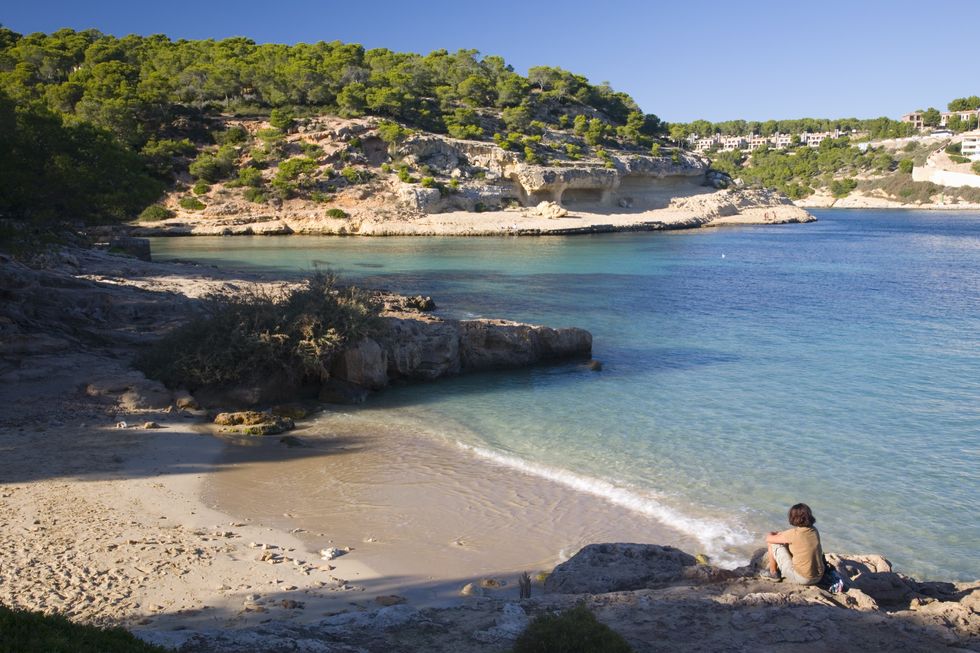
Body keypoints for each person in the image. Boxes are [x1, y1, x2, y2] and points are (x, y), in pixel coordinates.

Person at [759, 502, 825, 584]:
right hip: (819, 576)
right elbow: (791, 535)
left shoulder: (794, 534)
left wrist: (771, 533)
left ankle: (773, 573)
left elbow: (769, 539)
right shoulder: (813, 530)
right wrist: (780, 534)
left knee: (772, 543)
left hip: (803, 578)